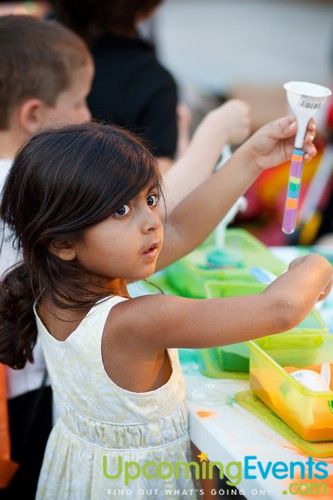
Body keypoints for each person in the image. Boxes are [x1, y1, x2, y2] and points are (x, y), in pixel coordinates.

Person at [0, 117, 330, 499]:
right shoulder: (140, 321)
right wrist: (318, 264)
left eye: (151, 199)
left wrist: (251, 157)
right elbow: (281, 309)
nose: (152, 223)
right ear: (62, 242)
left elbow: (181, 231)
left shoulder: (50, 283)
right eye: (121, 211)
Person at [0, 14, 93, 499]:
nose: (88, 116)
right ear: (33, 115)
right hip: (25, 388)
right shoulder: (36, 187)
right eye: (78, 101)